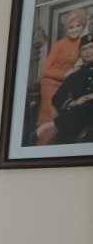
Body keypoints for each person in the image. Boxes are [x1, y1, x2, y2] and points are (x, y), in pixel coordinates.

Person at [35, 8, 88, 144]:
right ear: (66, 29)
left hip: (66, 84)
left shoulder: (83, 43)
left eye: (78, 26)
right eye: (71, 27)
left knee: (65, 118)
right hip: (50, 83)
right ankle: (42, 145)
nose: (74, 30)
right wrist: (66, 74)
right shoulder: (59, 45)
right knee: (51, 118)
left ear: (83, 26)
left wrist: (75, 72)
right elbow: (45, 71)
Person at [51, 33, 93, 144]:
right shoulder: (74, 75)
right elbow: (57, 98)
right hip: (77, 118)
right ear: (80, 54)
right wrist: (73, 103)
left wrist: (87, 97)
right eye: (84, 49)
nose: (88, 51)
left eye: (91, 47)